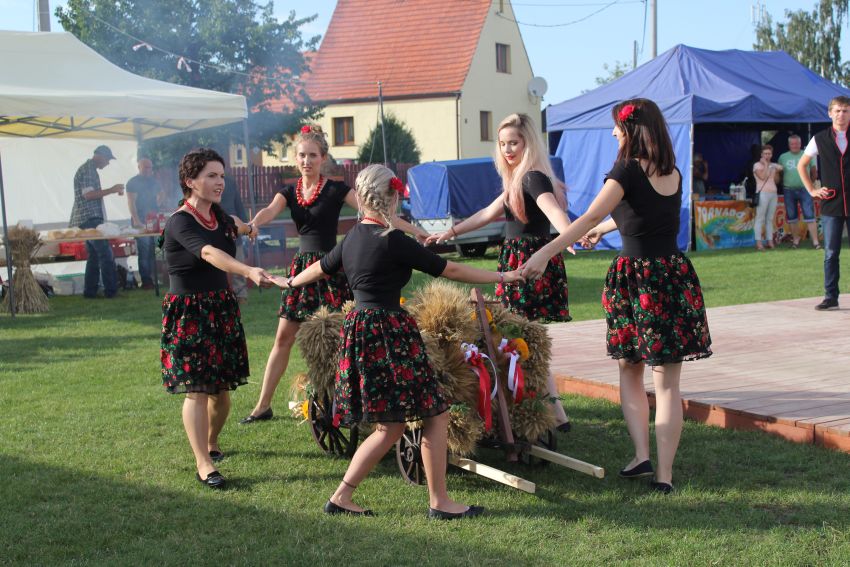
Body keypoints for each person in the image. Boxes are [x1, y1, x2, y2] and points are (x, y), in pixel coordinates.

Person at [272, 164, 523, 518]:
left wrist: (291, 281)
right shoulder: (393, 240)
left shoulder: (352, 239)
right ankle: (438, 502)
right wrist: (504, 276)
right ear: (392, 198)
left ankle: (343, 497)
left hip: (360, 332)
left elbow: (321, 268)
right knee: (434, 413)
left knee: (391, 425)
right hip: (389, 333)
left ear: (362, 198)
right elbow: (449, 269)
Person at [520, 99, 713, 494]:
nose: (613, 133)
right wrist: (606, 229)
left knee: (630, 368)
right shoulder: (672, 171)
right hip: (673, 276)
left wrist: (545, 253)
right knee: (668, 383)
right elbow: (641, 210)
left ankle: (642, 454)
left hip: (636, 280)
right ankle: (662, 474)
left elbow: (591, 214)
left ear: (631, 130)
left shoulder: (626, 169)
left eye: (617, 127)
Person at [240, 125, 429, 424]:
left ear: (323, 158)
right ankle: (262, 406)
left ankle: (356, 399)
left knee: (345, 337)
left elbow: (378, 210)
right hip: (303, 271)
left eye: (312, 155)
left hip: (333, 268)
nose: (306, 161)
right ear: (295, 158)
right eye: (302, 155)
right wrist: (253, 224)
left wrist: (416, 230)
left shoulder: (336, 189)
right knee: (283, 338)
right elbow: (269, 210)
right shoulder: (288, 192)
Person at [426, 112, 573, 431]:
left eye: (514, 143)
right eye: (503, 144)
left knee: (525, 337)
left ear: (528, 143)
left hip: (529, 264)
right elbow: (486, 214)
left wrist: (568, 235)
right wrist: (451, 233)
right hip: (520, 261)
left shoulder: (532, 178)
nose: (507, 150)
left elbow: (552, 210)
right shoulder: (517, 179)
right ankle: (552, 411)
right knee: (524, 338)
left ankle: (553, 413)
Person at [160, 148, 272, 489]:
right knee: (197, 389)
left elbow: (237, 225)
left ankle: (211, 441)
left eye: (222, 176)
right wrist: (247, 270)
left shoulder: (221, 218)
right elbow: (209, 252)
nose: (220, 182)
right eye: (211, 176)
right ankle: (203, 463)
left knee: (221, 393)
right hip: (189, 313)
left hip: (221, 309)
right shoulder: (180, 222)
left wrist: (250, 228)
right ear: (190, 181)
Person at [798, 95, 850, 311]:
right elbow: (802, 165)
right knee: (830, 252)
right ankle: (831, 296)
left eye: (845, 110)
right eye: (837, 110)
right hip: (831, 203)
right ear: (830, 113)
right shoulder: (819, 138)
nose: (841, 114)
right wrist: (812, 190)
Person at [69, 145, 124, 299]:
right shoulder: (88, 170)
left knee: (93, 256)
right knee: (105, 254)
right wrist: (112, 190)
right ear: (100, 156)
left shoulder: (89, 169)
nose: (108, 163)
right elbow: (89, 195)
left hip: (87, 218)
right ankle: (111, 292)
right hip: (90, 219)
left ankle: (90, 292)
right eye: (107, 159)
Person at [217, 152, 250, 303]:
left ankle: (241, 294)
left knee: (239, 262)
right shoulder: (207, 185)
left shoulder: (230, 182)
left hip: (233, 227)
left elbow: (238, 204)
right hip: (215, 226)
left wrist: (245, 224)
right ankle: (218, 294)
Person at [779, 135, 820, 250]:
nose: (795, 146)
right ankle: (795, 241)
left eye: (797, 143)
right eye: (792, 144)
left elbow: (814, 172)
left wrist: (810, 185)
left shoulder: (807, 154)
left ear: (800, 144)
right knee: (792, 217)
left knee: (810, 215)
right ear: (789, 145)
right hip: (788, 190)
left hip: (805, 189)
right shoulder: (783, 157)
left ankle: (816, 242)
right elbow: (780, 174)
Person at [126, 157, 161, 289]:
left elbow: (161, 194)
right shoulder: (133, 182)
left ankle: (152, 278)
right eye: (145, 167)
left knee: (152, 249)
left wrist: (158, 205)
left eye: (150, 167)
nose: (148, 170)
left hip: (152, 219)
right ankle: (146, 281)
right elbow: (131, 202)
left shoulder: (154, 182)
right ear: (139, 167)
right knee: (144, 249)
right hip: (140, 219)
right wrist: (136, 220)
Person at [752, 144, 783, 250]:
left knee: (769, 219)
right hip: (763, 193)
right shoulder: (757, 165)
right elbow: (762, 177)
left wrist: (776, 171)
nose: (767, 155)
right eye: (765, 153)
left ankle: (770, 241)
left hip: (773, 193)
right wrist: (766, 165)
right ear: (761, 154)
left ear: (772, 154)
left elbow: (776, 180)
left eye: (769, 154)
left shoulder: (773, 165)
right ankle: (758, 242)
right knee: (760, 218)